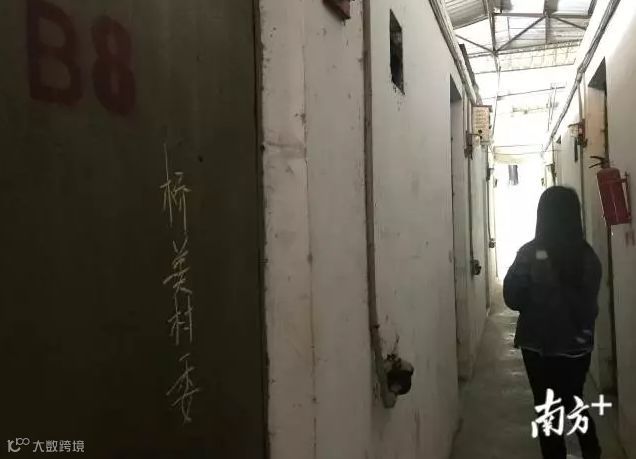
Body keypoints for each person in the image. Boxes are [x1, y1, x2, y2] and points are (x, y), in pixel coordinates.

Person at [503, 186, 603, 459]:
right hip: (577, 346)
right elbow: (588, 305)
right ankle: (591, 450)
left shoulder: (529, 254)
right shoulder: (588, 257)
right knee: (574, 400)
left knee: (546, 407)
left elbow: (511, 297)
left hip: (539, 346)